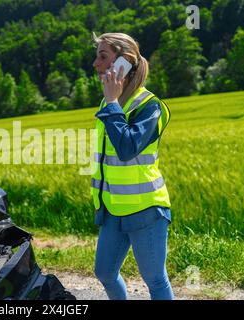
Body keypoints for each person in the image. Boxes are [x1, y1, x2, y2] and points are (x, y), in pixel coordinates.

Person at [91, 32, 174, 300]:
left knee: (155, 280)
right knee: (104, 273)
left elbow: (127, 148)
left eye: (103, 57)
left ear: (123, 63)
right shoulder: (107, 104)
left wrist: (114, 103)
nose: (96, 64)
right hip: (113, 208)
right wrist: (112, 103)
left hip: (146, 209)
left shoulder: (150, 107)